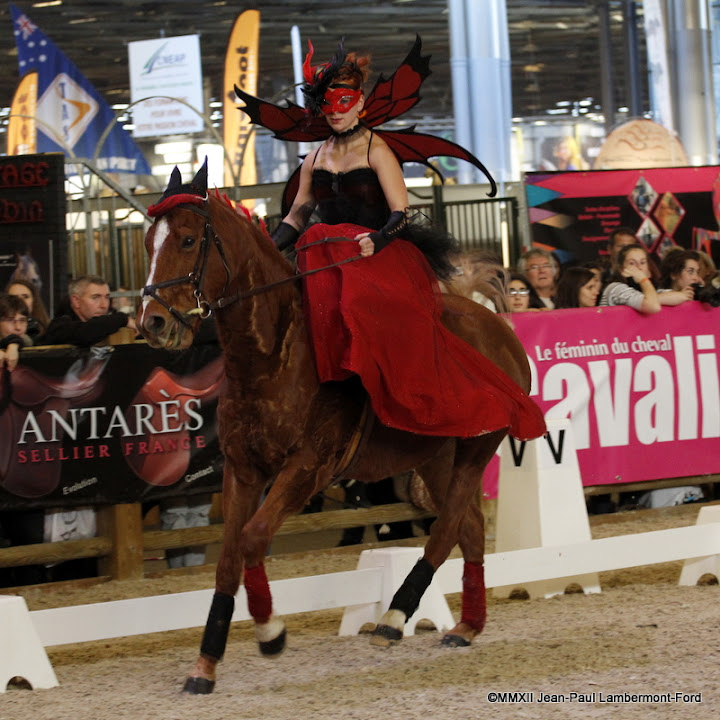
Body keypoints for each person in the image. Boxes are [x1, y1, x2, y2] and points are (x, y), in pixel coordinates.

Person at [238, 38, 544, 441]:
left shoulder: (377, 150)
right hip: (325, 253)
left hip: (379, 252)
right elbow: (297, 215)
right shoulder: (314, 159)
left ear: (360, 104)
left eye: (345, 102)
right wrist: (265, 249)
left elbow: (402, 214)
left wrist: (376, 242)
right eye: (329, 104)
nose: (336, 111)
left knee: (361, 304)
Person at [41, 275, 138, 346]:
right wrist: (123, 319)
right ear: (76, 301)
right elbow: (84, 333)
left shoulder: (110, 325)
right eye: (95, 297)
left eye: (107, 297)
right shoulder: (59, 327)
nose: (104, 305)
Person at [599, 243, 692, 313]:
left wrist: (651, 296)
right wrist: (643, 280)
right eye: (632, 263)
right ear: (621, 268)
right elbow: (653, 306)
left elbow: (681, 296)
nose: (639, 267)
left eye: (643, 262)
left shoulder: (649, 291)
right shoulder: (615, 288)